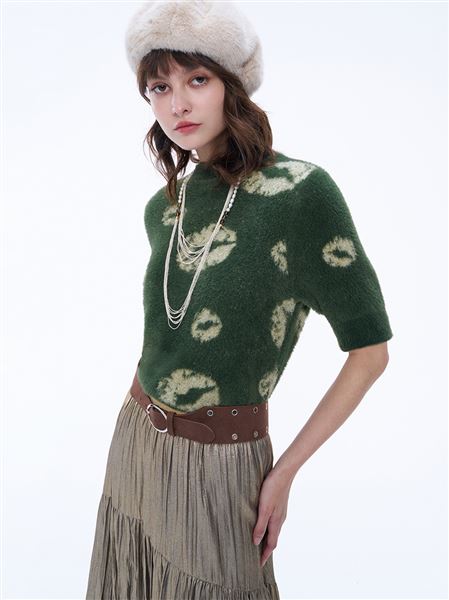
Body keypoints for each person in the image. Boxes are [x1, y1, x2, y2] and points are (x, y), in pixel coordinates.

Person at [85, 1, 394, 598]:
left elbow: (370, 353)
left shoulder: (300, 194)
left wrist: (283, 473)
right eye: (159, 87)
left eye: (197, 80)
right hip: (137, 436)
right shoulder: (165, 209)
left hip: (223, 460)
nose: (177, 104)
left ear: (232, 85)